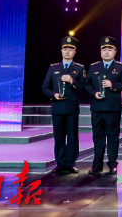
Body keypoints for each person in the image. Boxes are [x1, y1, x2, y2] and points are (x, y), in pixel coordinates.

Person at [84, 36, 122, 174]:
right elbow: (87, 84)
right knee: (98, 137)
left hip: (113, 108)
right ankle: (97, 165)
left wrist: (112, 85)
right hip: (97, 107)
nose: (107, 52)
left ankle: (112, 164)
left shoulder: (121, 67)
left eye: (110, 49)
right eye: (104, 49)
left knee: (113, 137)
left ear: (115, 52)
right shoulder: (94, 67)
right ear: (100, 52)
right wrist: (94, 93)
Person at [41, 36, 86, 174]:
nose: (67, 52)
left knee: (72, 137)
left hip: (72, 108)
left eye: (70, 49)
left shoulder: (79, 68)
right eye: (65, 49)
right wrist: (53, 94)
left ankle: (71, 163)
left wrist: (72, 81)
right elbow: (45, 87)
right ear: (61, 51)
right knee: (59, 137)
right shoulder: (53, 68)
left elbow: (83, 88)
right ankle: (60, 163)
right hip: (57, 108)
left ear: (74, 52)